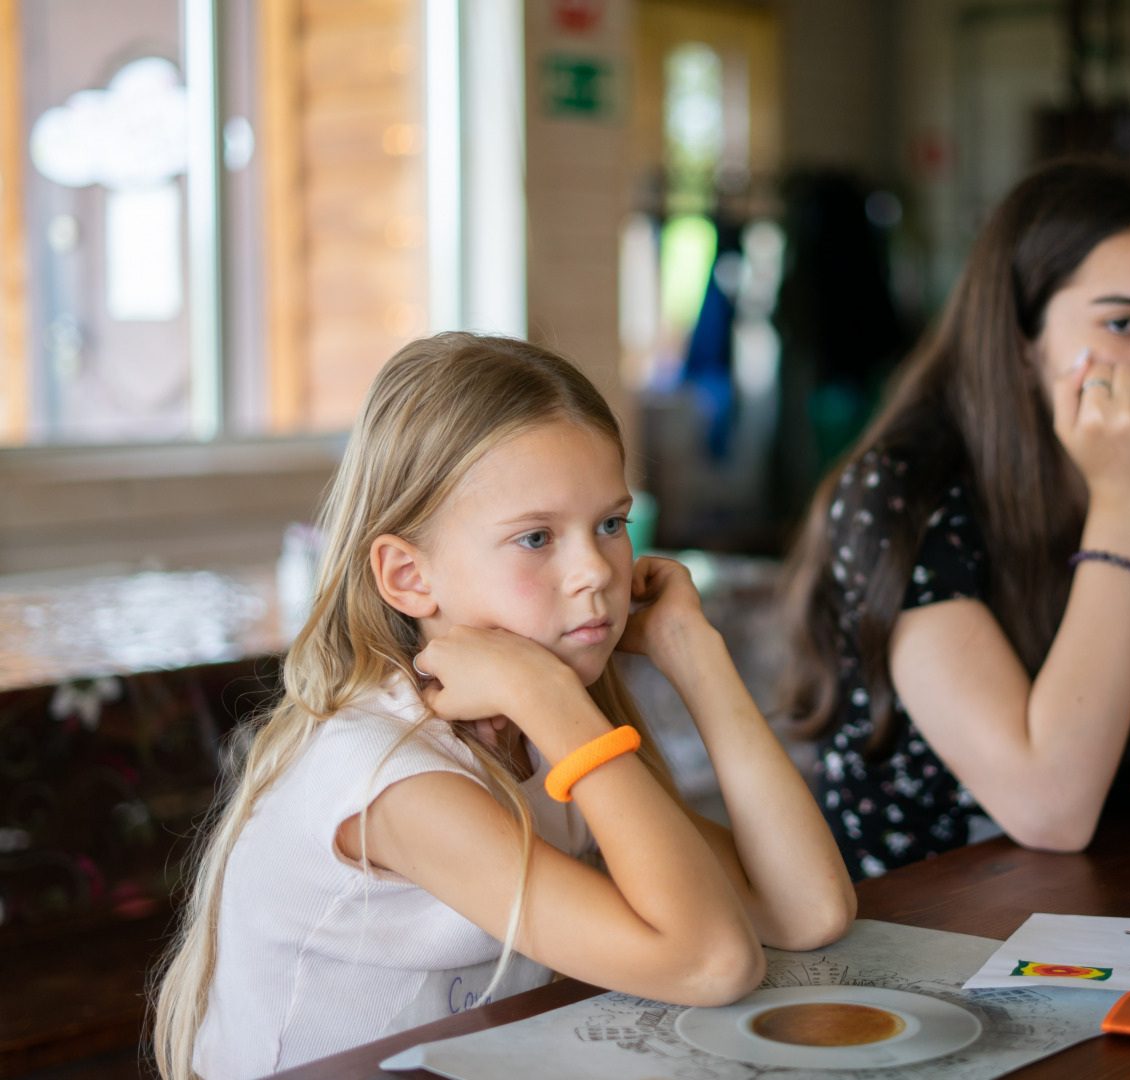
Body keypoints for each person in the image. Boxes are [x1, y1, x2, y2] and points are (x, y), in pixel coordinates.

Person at [153, 334, 856, 1080]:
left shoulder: (540, 727)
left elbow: (805, 911)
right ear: (409, 576)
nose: (594, 571)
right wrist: (551, 702)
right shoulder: (393, 777)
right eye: (534, 537)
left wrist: (696, 655)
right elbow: (712, 961)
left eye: (611, 524)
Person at [781, 159, 1130, 880]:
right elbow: (1050, 809)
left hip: (1115, 912)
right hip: (919, 933)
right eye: (1123, 322)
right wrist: (1127, 501)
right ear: (1024, 339)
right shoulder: (903, 488)